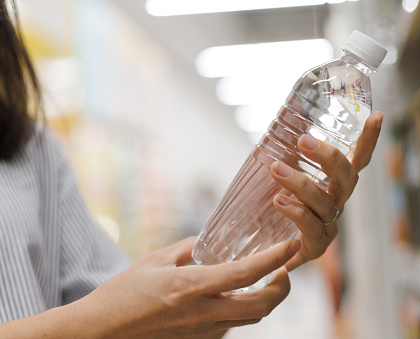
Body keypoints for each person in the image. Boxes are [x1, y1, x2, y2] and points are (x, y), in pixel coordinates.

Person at [0, 0, 382, 337]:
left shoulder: (32, 150)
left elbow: (139, 325)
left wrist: (246, 249)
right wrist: (94, 323)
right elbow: (104, 319)